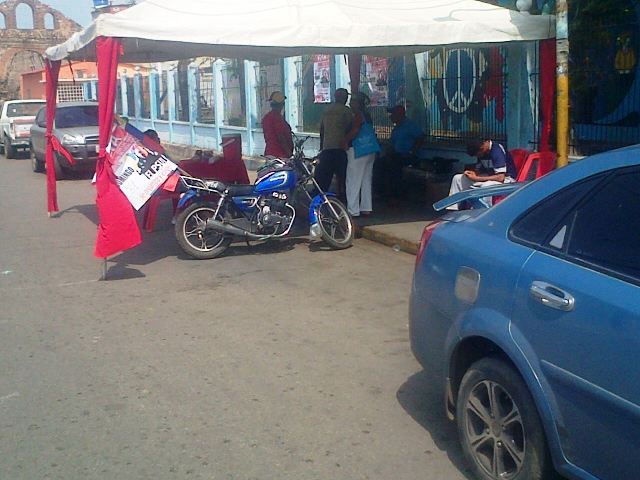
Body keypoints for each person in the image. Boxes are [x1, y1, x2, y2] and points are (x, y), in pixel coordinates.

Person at [446, 138, 517, 210]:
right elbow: (479, 171)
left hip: (507, 180)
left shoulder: (496, 150)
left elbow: (500, 177)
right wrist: (472, 173)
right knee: (457, 178)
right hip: (488, 177)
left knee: (486, 186)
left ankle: (484, 211)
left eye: (479, 152)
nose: (479, 156)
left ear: (483, 145)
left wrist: (477, 178)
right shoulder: (482, 153)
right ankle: (452, 209)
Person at [314, 88, 353, 198]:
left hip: (327, 148)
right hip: (340, 149)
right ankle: (342, 195)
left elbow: (322, 129)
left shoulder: (327, 110)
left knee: (324, 178)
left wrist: (322, 146)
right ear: (345, 98)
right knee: (343, 176)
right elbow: (351, 127)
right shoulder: (346, 111)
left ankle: (321, 199)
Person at [380, 105, 424, 202]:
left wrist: (411, 152)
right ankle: (382, 193)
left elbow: (420, 137)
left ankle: (396, 196)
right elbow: (391, 144)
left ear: (399, 114)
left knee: (395, 167)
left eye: (393, 114)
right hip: (397, 155)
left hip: (409, 156)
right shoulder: (396, 129)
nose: (390, 116)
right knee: (380, 163)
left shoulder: (410, 125)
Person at [344, 93, 376, 217]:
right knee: (366, 180)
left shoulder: (358, 115)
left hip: (358, 150)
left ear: (357, 103)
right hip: (370, 149)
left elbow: (356, 130)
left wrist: (345, 140)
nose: (350, 104)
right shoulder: (367, 115)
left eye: (352, 101)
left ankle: (352, 210)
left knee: (353, 180)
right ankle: (366, 208)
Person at [261, 91, 294, 159]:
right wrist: (289, 153)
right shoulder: (277, 118)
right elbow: (281, 137)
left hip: (270, 153)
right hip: (280, 155)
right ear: (281, 104)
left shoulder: (267, 117)